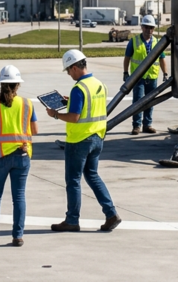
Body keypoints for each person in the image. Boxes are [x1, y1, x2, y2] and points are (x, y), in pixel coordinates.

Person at [47, 49, 121, 232]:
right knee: (92, 175)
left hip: (79, 140)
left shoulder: (79, 88)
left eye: (68, 70)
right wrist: (70, 101)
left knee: (73, 180)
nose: (69, 74)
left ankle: (72, 220)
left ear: (74, 67)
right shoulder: (99, 84)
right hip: (97, 138)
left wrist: (55, 114)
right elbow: (91, 107)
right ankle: (111, 213)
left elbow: (74, 117)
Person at [0, 65, 38, 247]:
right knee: (19, 197)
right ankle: (18, 236)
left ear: (1, 84)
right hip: (22, 154)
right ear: (18, 85)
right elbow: (35, 130)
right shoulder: (27, 104)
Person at [123, 15, 169, 134]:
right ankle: (136, 125)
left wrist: (165, 73)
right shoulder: (134, 41)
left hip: (152, 77)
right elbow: (127, 58)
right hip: (138, 77)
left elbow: (162, 59)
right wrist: (125, 72)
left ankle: (147, 125)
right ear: (142, 27)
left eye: (151, 28)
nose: (149, 30)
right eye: (146, 27)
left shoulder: (157, 42)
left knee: (150, 101)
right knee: (138, 101)